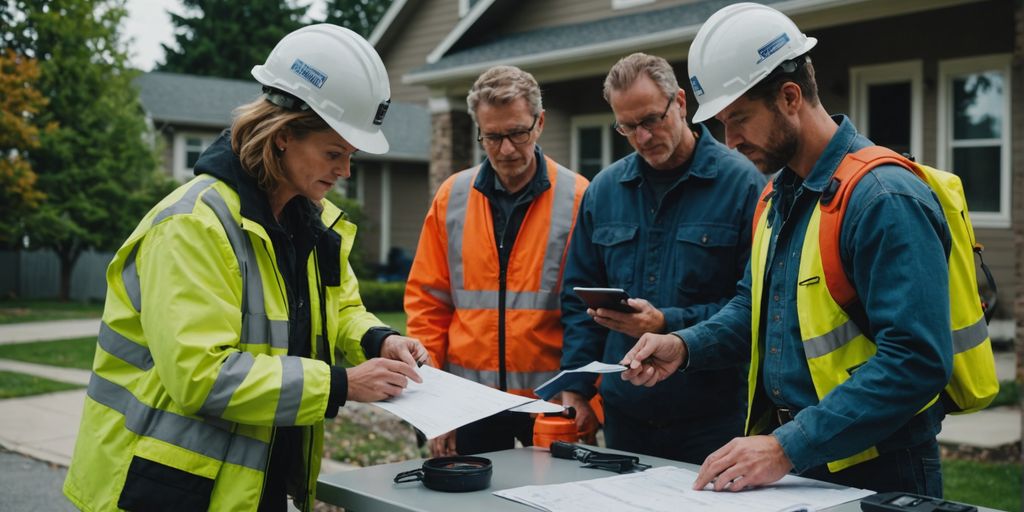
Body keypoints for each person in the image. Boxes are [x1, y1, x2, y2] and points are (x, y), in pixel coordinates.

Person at [63, 25, 428, 512]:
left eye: (352, 156)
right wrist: (341, 384)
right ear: (281, 137)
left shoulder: (311, 224)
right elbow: (201, 375)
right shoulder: (193, 226)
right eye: (334, 153)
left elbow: (337, 307)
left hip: (253, 480)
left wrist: (378, 339)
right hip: (165, 488)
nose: (345, 171)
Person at [621, 2, 953, 496]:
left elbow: (917, 360)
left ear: (791, 96)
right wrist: (685, 345)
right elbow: (755, 310)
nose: (729, 141)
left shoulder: (882, 198)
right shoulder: (779, 196)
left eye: (740, 119)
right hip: (801, 465)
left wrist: (786, 446)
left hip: (881, 474)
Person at [559, 52, 765, 463]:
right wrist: (578, 388)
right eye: (628, 127)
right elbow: (577, 301)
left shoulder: (743, 186)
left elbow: (757, 305)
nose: (643, 137)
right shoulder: (603, 191)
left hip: (714, 418)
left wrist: (667, 323)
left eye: (652, 119)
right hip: (624, 414)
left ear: (682, 103)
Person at [405, 65, 589, 457]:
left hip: (552, 406)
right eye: (492, 137)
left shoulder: (579, 198)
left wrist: (590, 399)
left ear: (540, 123)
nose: (506, 149)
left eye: (517, 133)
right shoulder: (450, 198)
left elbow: (589, 316)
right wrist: (434, 406)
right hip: (468, 404)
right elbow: (427, 306)